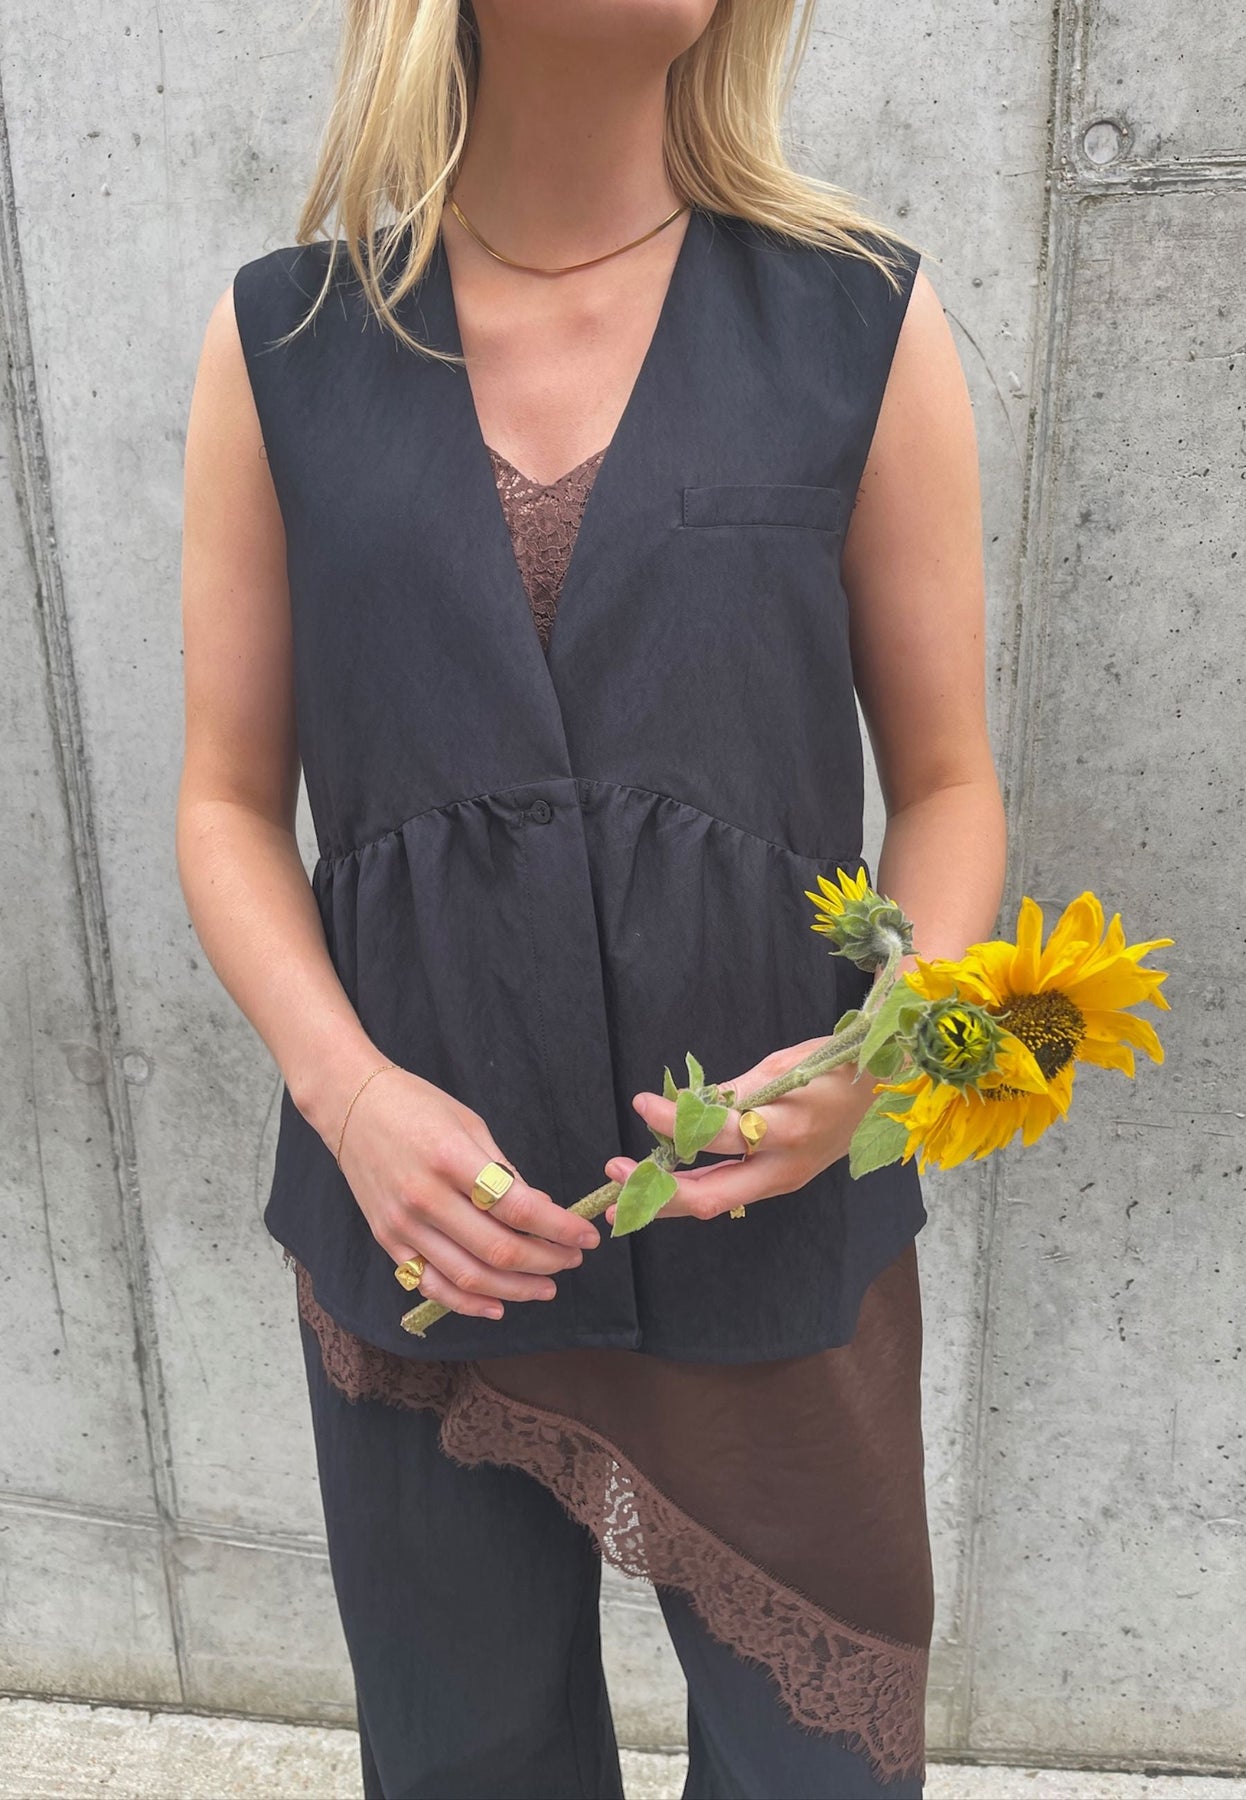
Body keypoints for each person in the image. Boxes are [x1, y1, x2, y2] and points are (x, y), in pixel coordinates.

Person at [177, 2, 1006, 1795]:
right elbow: (226, 803)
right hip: (426, 1234)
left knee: (815, 1764)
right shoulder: (287, 346)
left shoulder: (853, 318)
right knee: (462, 1754)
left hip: (768, 1220)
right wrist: (350, 1098)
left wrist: (883, 1053)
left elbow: (947, 785)